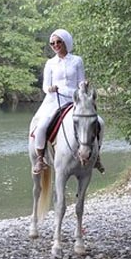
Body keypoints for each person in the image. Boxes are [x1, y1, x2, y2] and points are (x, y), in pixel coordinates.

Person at [31, 29, 105, 175]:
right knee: (41, 126)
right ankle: (40, 158)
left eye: (59, 42)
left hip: (74, 99)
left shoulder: (77, 60)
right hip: (55, 99)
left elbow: (80, 80)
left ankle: (96, 156)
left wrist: (83, 85)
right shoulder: (50, 63)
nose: (55, 45)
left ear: (66, 42)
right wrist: (50, 89)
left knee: (100, 122)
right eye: (52, 43)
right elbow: (45, 86)